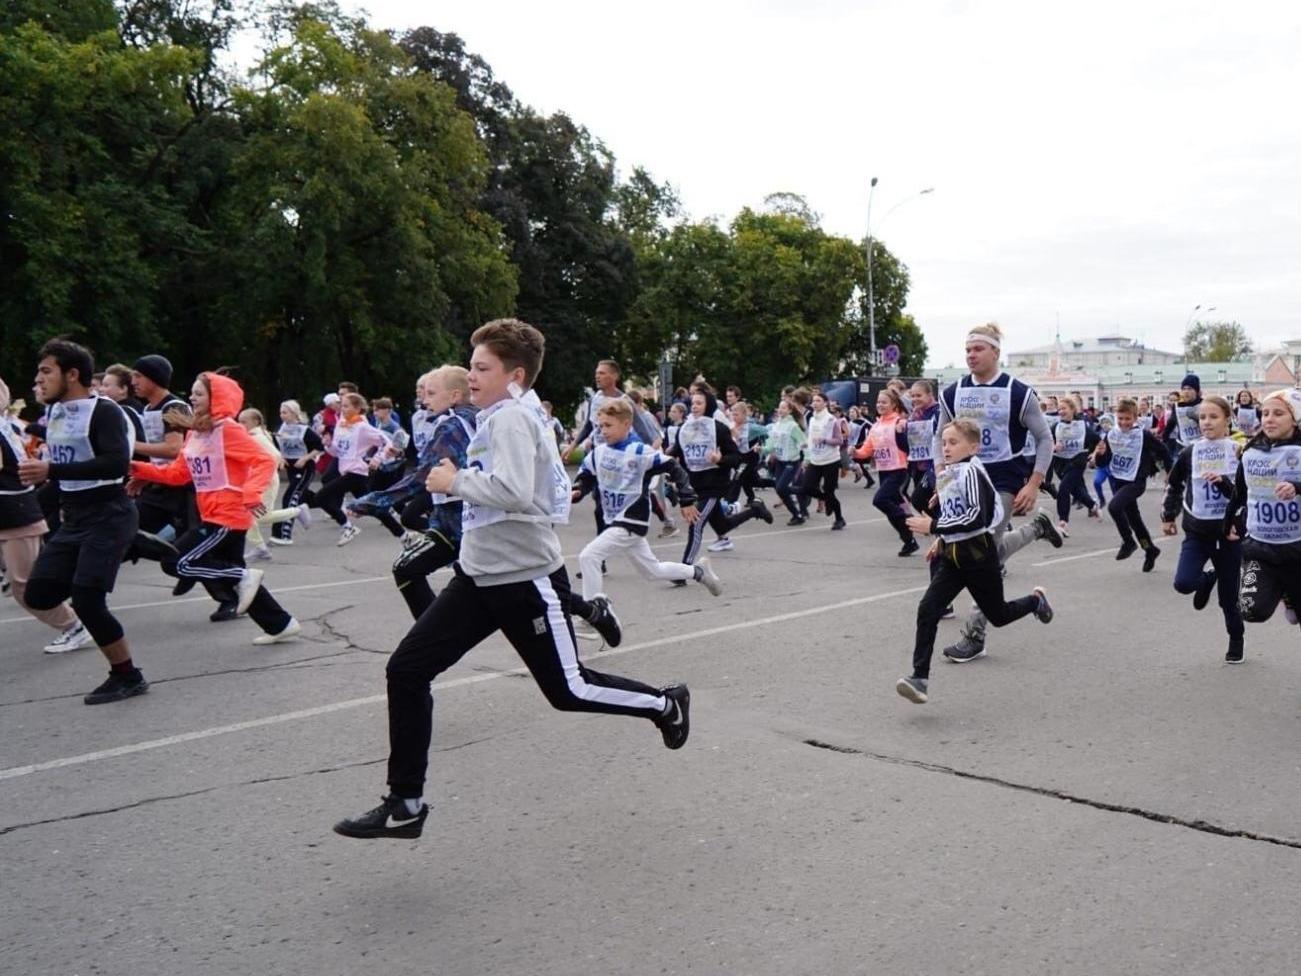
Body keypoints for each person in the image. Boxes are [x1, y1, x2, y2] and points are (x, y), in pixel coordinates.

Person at [334, 319, 691, 840]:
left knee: (569, 690)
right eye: (472, 366)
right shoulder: (505, 413)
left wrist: (455, 481)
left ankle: (665, 703)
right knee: (407, 671)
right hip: (478, 577)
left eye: (483, 368)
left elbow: (517, 490)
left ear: (515, 374)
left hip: (522, 580)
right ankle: (405, 803)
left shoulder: (512, 420)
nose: (472, 376)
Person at [20, 339, 148, 704]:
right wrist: (36, 501)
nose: (38, 379)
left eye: (46, 371)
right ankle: (136, 543)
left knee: (89, 599)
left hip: (109, 514)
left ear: (72, 374)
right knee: (38, 593)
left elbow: (115, 463)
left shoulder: (105, 412)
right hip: (75, 517)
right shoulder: (57, 412)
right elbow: (63, 476)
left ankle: (127, 676)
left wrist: (51, 469)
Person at [129, 373, 300, 643]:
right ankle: (280, 624)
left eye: (199, 394)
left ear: (216, 398)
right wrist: (141, 470)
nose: (192, 398)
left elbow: (263, 460)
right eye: (192, 393)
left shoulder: (228, 430)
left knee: (176, 561)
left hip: (227, 516)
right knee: (234, 573)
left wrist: (252, 493)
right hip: (211, 512)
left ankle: (243, 577)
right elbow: (179, 474)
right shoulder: (196, 432)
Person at [895, 418, 1053, 705]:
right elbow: (956, 515)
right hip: (954, 559)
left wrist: (934, 527)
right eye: (944, 443)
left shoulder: (971, 472)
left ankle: (1035, 601)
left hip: (979, 558)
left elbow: (975, 518)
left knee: (999, 616)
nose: (946, 448)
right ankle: (919, 678)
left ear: (973, 446)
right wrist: (941, 541)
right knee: (928, 609)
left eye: (953, 442)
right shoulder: (951, 472)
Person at [934, 323, 1062, 662]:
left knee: (984, 552)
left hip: (1002, 478)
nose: (971, 355)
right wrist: (940, 475)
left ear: (995, 352)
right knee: (982, 547)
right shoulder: (953, 391)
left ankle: (975, 634)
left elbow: (1044, 439)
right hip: (962, 478)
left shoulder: (1017, 392)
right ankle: (1037, 529)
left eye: (978, 349)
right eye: (967, 350)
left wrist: (1034, 482)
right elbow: (938, 437)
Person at [571, 397, 722, 624]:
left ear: (626, 424)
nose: (603, 431)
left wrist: (687, 498)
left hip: (632, 520)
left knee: (589, 556)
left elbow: (674, 466)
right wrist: (579, 490)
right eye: (600, 426)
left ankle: (594, 615)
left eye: (609, 425)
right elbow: (586, 476)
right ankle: (698, 572)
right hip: (615, 520)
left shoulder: (640, 452)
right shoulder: (599, 452)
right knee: (653, 571)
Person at [350, 365, 478, 619]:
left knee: (408, 568)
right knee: (501, 587)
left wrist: (372, 501)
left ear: (454, 396)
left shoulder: (452, 426)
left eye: (431, 393)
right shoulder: (475, 418)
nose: (424, 399)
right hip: (459, 519)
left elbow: (422, 476)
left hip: (456, 523)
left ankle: (431, 635)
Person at [0, 376, 94, 653]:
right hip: (12, 509)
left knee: (24, 585)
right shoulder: (7, 426)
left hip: (16, 512)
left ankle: (73, 624)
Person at [1161, 395, 1244, 662]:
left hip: (1229, 533)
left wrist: (1222, 483)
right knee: (1183, 583)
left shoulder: (1238, 451)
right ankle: (1207, 579)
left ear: (1227, 420)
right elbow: (1174, 485)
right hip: (1197, 531)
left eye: (1213, 417)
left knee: (1228, 599)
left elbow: (1247, 495)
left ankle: (1236, 639)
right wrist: (1168, 515)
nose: (1206, 423)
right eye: (1203, 418)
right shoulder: (1190, 452)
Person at [1225, 389, 1301, 636]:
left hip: (1297, 546)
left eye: (1278, 413)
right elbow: (1239, 493)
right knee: (1249, 610)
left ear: (1295, 418)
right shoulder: (1251, 451)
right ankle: (1280, 589)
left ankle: (1289, 593)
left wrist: (1297, 487)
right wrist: (1229, 522)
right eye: (1265, 413)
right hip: (1261, 546)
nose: (1269, 418)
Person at [671, 389, 773, 561]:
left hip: (714, 485)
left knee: (696, 524)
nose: (694, 407)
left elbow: (735, 457)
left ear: (708, 405)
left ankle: (685, 569)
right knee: (723, 525)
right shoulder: (684, 429)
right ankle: (755, 510)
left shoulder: (718, 429)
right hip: (695, 484)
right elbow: (678, 452)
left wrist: (719, 459)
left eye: (699, 403)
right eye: (692, 403)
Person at [303, 392, 397, 545]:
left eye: (346, 406)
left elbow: (386, 442)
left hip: (357, 472)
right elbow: (338, 452)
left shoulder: (362, 426)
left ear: (357, 408)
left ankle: (348, 526)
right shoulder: (341, 424)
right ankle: (403, 535)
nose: (342, 409)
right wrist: (328, 444)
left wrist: (378, 459)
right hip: (346, 470)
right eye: (342, 405)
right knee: (373, 508)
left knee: (321, 497)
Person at [1092, 396, 1172, 571]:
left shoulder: (1142, 435)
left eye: (1128, 419)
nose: (1123, 422)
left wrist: (1170, 472)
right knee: (1134, 519)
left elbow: (1164, 450)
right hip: (1118, 480)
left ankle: (1128, 541)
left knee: (1114, 507)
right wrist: (1099, 454)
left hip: (1136, 481)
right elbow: (1102, 463)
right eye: (1120, 418)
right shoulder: (1111, 435)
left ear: (1135, 418)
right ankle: (1150, 548)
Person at [129, 354, 194, 543]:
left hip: (181, 488)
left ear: (154, 377)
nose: (133, 382)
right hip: (161, 484)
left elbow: (174, 449)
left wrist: (131, 445)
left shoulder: (174, 407)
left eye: (138, 376)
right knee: (128, 530)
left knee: (180, 552)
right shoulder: (149, 408)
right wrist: (147, 475)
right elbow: (160, 453)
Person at [237, 408, 309, 561]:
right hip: (260, 480)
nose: (240, 424)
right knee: (252, 515)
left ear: (255, 422)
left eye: (244, 422)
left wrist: (263, 471)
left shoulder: (255, 436)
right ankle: (260, 548)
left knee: (256, 516)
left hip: (265, 481)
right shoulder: (257, 434)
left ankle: (297, 511)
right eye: (239, 421)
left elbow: (274, 456)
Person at [859, 388, 914, 553]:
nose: (880, 405)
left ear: (894, 404)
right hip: (883, 470)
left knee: (880, 500)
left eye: (884, 402)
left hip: (899, 469)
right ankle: (909, 541)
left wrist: (902, 432)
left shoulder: (899, 422)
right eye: (878, 402)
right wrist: (854, 452)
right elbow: (866, 451)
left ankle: (908, 521)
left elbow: (909, 445)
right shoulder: (875, 426)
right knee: (891, 509)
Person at [270, 399, 324, 545]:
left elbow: (320, 447)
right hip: (291, 468)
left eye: (285, 412)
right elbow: (276, 447)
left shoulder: (304, 430)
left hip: (305, 468)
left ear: (294, 413)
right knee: (302, 497)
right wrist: (280, 458)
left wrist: (305, 458)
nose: (282, 415)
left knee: (289, 498)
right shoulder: (281, 429)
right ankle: (326, 502)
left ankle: (282, 535)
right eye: (281, 412)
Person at [1050, 395, 1101, 535]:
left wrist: (1094, 455)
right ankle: (1093, 505)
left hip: (1077, 461)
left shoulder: (1082, 426)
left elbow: (1098, 440)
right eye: (1059, 409)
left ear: (1072, 409)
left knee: (1064, 489)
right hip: (1060, 463)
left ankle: (1063, 522)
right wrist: (1054, 446)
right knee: (1076, 490)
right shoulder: (1056, 426)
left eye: (1064, 408)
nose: (1061, 411)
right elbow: (1045, 441)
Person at [800, 391, 847, 530]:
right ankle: (827, 501)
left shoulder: (831, 419)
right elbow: (810, 437)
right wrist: (806, 447)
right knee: (807, 487)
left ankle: (839, 518)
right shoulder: (812, 419)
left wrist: (825, 440)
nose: (815, 403)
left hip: (830, 460)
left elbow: (839, 440)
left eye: (818, 400)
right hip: (815, 459)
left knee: (829, 491)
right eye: (813, 401)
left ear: (825, 403)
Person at [767, 398, 808, 523]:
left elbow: (804, 444)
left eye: (784, 408)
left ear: (790, 410)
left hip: (791, 462)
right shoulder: (776, 425)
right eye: (779, 407)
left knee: (781, 488)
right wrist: (762, 449)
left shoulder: (793, 426)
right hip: (780, 462)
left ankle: (805, 491)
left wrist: (807, 459)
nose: (780, 410)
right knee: (780, 490)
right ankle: (797, 515)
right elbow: (770, 444)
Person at [905, 381, 939, 516]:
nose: (915, 399)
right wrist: (902, 430)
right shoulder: (914, 415)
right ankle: (941, 530)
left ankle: (944, 528)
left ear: (930, 395)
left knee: (918, 499)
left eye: (918, 395)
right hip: (918, 465)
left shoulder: (938, 412)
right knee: (924, 501)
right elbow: (908, 443)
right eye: (912, 396)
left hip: (934, 464)